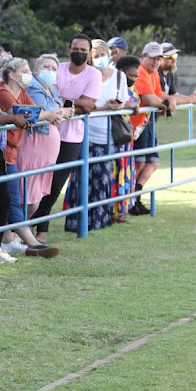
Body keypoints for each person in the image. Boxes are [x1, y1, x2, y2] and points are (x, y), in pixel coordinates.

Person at [30, 34, 102, 243]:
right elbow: (41, 96)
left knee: (54, 186)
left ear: (89, 53)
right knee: (37, 181)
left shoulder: (93, 74)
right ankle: (25, 229)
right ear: (69, 50)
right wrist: (71, 103)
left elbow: (89, 106)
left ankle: (39, 229)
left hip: (71, 137)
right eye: (75, 49)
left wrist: (57, 99)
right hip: (45, 133)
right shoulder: (56, 68)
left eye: (83, 50)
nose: (78, 53)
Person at [0, 57, 61, 258]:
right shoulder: (2, 91)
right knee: (10, 199)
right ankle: (29, 242)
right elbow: (21, 114)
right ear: (13, 75)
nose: (29, 75)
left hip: (11, 153)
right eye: (25, 70)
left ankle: (10, 241)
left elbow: (34, 111)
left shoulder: (21, 92)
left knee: (11, 199)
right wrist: (45, 115)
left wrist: (40, 114)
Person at [63, 40, 133, 233]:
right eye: (96, 55)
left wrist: (120, 105)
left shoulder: (119, 77)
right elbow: (83, 104)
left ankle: (99, 220)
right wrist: (103, 108)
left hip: (107, 135)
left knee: (102, 178)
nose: (100, 58)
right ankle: (77, 223)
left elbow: (125, 101)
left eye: (103, 54)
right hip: (84, 133)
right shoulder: (88, 75)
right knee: (81, 178)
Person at [21, 54, 72, 217]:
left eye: (54, 69)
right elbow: (46, 111)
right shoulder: (34, 87)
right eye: (46, 67)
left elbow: (58, 112)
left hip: (47, 153)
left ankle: (20, 233)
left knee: (36, 197)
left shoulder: (53, 89)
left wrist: (62, 112)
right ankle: (13, 233)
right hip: (33, 148)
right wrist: (62, 112)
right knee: (27, 196)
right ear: (36, 70)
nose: (50, 71)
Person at [129, 42, 175, 216]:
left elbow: (159, 96)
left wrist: (168, 100)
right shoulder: (140, 72)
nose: (156, 62)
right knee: (139, 162)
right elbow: (149, 99)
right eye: (152, 58)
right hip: (136, 125)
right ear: (143, 57)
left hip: (146, 123)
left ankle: (135, 197)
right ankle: (131, 201)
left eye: (159, 58)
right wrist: (166, 103)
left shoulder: (154, 73)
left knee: (152, 162)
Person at [111, 55, 143, 222]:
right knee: (114, 172)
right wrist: (132, 105)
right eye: (131, 76)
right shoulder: (114, 84)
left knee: (124, 172)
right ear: (122, 72)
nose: (134, 79)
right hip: (114, 136)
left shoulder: (132, 88)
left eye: (136, 76)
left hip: (126, 138)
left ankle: (120, 210)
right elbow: (118, 104)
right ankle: (111, 211)